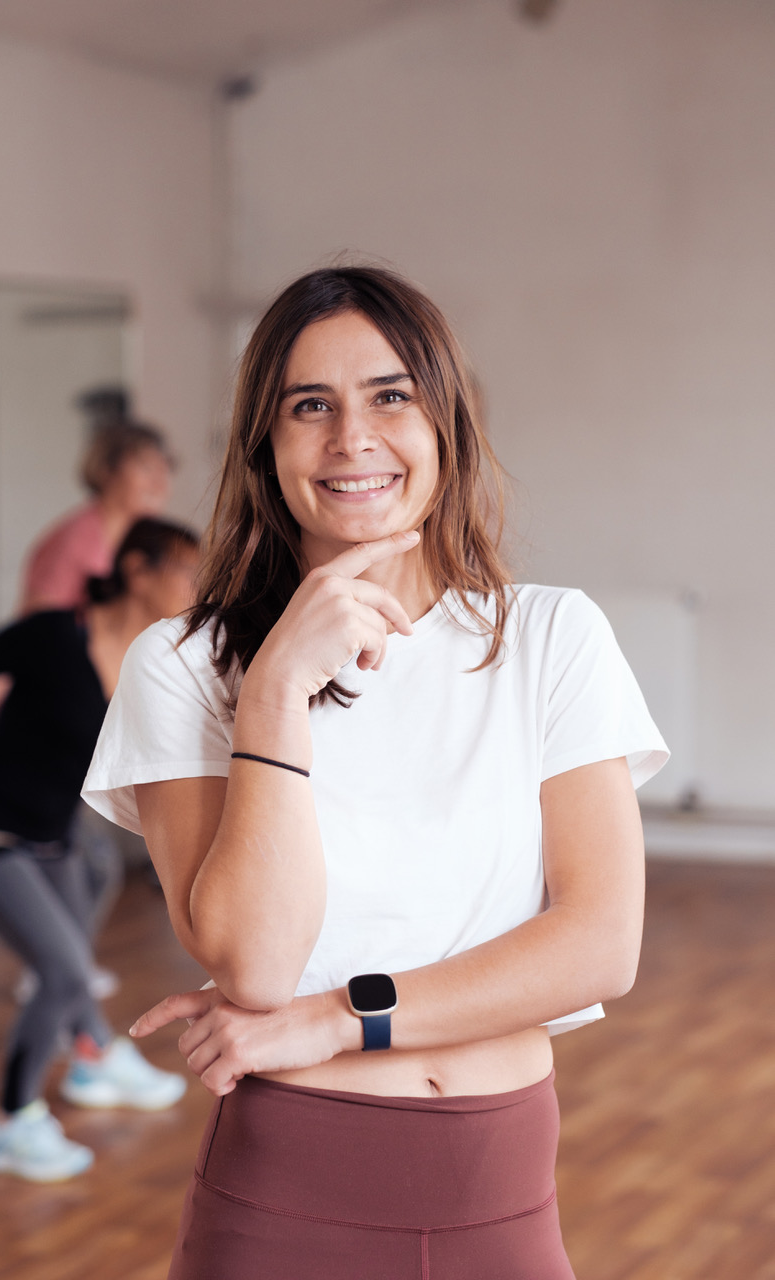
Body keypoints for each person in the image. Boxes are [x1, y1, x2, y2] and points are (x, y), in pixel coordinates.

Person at [83, 266, 669, 1277]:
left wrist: (326, 1019)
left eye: (389, 396)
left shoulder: (547, 637)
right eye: (310, 406)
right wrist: (273, 690)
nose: (351, 439)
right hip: (285, 1199)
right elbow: (255, 964)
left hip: (504, 1192)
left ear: (443, 422)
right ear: (265, 445)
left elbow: (598, 945)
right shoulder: (183, 664)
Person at [0, 518, 200, 1183]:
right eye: (185, 570)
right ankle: (10, 1126)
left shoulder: (146, 663)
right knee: (66, 973)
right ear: (138, 569)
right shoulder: (52, 635)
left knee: (82, 925)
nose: (195, 587)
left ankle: (91, 1055)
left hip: (58, 840)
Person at [0, 416, 177, 995]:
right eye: (147, 465)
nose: (161, 478)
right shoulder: (76, 545)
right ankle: (59, 975)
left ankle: (62, 979)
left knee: (94, 865)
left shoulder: (127, 544)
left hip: (74, 731)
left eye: (166, 466)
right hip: (41, 725)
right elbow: (21, 649)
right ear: (109, 470)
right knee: (86, 862)